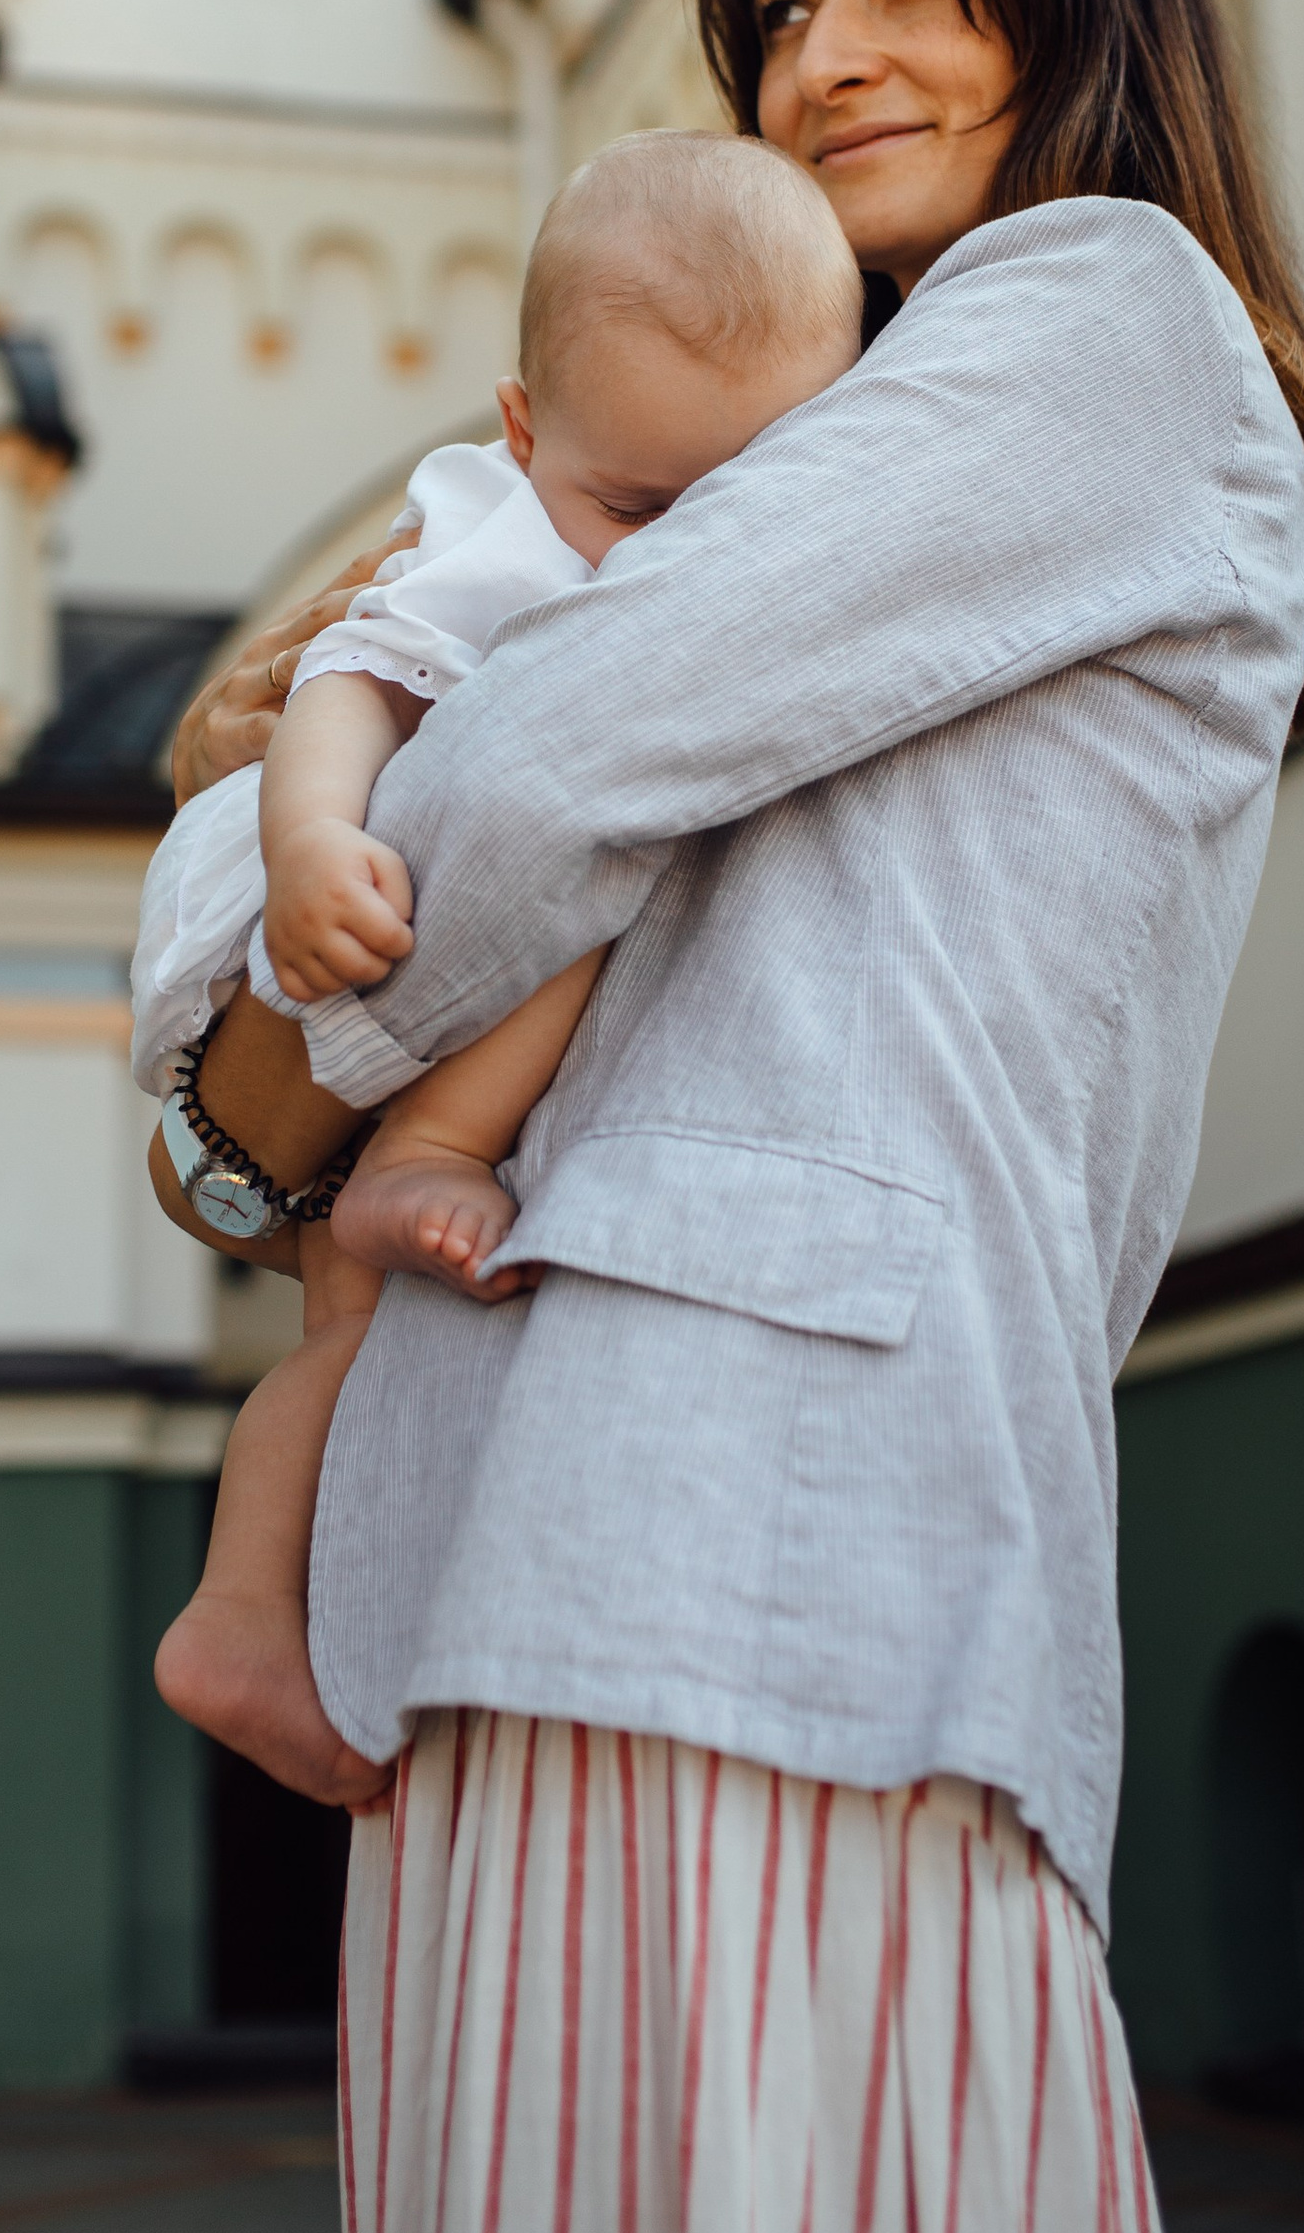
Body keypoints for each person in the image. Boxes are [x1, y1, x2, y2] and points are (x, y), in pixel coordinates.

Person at [153, 0, 1304, 2233]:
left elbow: (533, 754)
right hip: (553, 1554)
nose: (827, 57)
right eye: (778, 7)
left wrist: (251, 1090)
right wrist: (283, 959)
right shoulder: (773, 445)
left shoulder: (1099, 316)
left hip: (764, 1555)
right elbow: (377, 759)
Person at [142, 134, 864, 1807]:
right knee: (586, 849)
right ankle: (434, 1153)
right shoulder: (493, 528)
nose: (651, 561)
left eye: (718, 513)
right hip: (298, 899)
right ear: (524, 431)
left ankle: (240, 1617)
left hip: (356, 956)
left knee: (337, 1334)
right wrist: (312, 843)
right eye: (625, 511)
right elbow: (350, 677)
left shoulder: (637, 478)